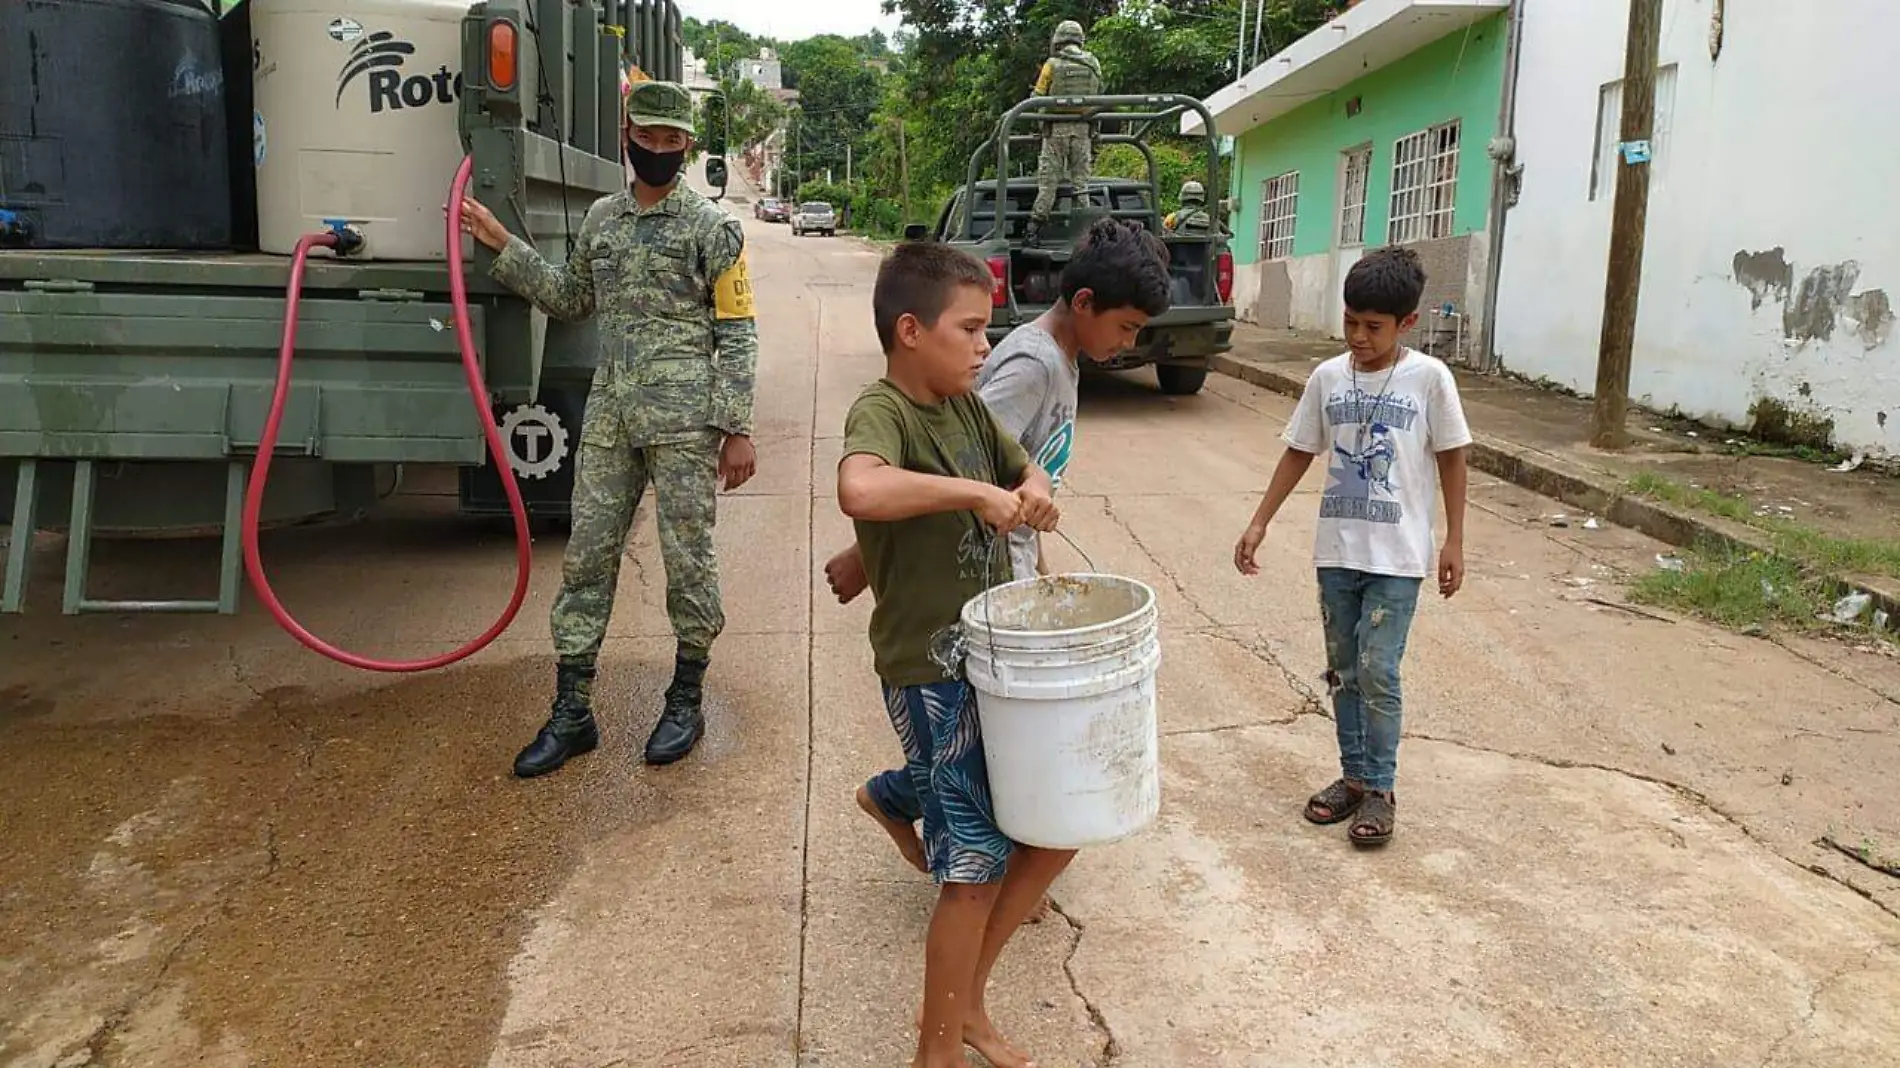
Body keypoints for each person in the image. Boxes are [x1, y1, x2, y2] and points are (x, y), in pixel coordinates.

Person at [824, 219, 1172, 909]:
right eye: (1127, 327)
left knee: (979, 754)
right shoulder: (1025, 366)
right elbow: (923, 469)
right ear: (1084, 304)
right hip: (941, 626)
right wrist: (867, 553)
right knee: (968, 781)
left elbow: (1015, 465)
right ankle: (971, 890)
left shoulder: (1049, 366)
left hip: (990, 601)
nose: (1128, 343)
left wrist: (1033, 520)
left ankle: (951, 845)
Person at [458, 80, 759, 778]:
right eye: (646, 136)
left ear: (688, 145)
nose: (656, 149)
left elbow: (738, 334)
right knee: (587, 561)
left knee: (688, 565)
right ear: (627, 136)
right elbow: (571, 299)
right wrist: (506, 247)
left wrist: (735, 427)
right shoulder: (601, 220)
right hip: (610, 420)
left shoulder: (714, 229)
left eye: (670, 140)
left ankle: (685, 699)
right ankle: (573, 715)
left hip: (685, 426)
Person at [837, 240, 1071, 1068]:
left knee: (1060, 825)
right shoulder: (886, 411)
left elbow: (1026, 467)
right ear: (910, 330)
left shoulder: (968, 407)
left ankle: (968, 999)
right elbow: (861, 489)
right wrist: (976, 494)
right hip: (930, 672)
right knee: (971, 871)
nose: (985, 345)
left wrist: (1032, 491)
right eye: (970, 329)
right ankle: (937, 1050)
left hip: (991, 663)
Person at [1232, 246, 1470, 847]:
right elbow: (1299, 449)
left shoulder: (1430, 380)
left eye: (1374, 326)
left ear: (1406, 324)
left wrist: (1454, 541)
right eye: (1351, 322)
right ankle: (1354, 777)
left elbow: (1453, 457)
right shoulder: (1327, 378)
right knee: (1343, 671)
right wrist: (1260, 521)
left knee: (1378, 669)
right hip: (1336, 554)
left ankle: (1382, 789)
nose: (1359, 337)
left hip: (1398, 558)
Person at [1025, 19, 1103, 248]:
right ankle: (1088, 237)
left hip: (1055, 129)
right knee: (1082, 184)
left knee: (1048, 183)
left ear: (1058, 40)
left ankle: (1033, 232)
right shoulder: (1093, 63)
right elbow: (1099, 96)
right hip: (1083, 130)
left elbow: (1037, 96)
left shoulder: (1052, 64)